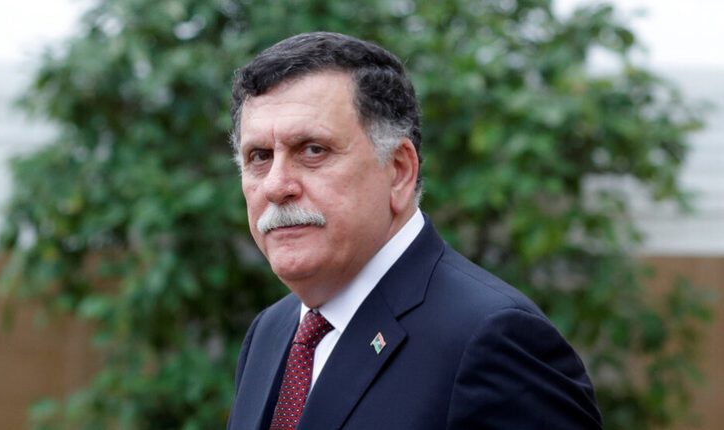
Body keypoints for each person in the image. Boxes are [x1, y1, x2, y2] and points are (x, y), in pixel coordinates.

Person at [227, 32, 602, 430]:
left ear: (399, 171)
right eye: (259, 157)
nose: (276, 186)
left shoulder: (493, 339)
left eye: (312, 150)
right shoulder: (272, 332)